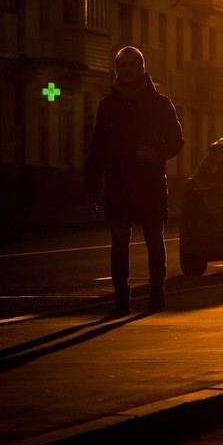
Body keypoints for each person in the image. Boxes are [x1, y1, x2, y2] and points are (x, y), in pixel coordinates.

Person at [85, 46, 184, 317]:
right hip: (118, 184)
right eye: (124, 65)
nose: (129, 69)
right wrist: (91, 186)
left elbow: (177, 141)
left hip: (150, 183)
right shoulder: (108, 106)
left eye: (134, 65)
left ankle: (156, 296)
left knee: (154, 241)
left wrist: (157, 152)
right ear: (117, 69)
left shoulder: (160, 103)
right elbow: (98, 148)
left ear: (143, 68)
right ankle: (121, 300)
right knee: (119, 243)